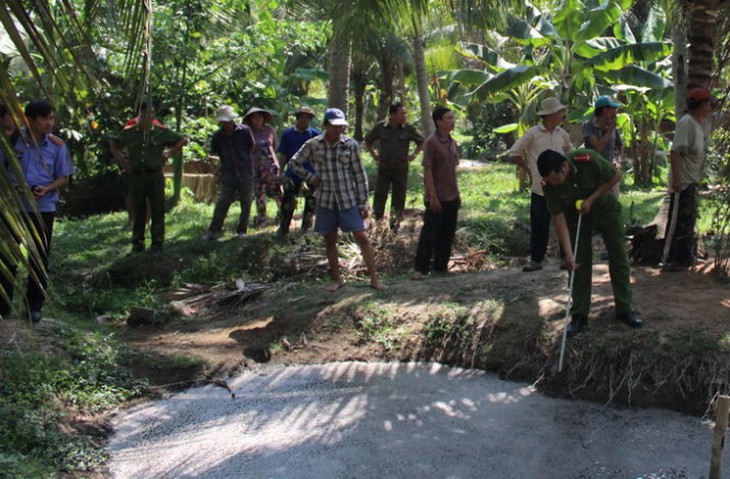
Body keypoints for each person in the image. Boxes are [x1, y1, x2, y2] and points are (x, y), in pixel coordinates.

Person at [537, 148, 643, 337]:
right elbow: (558, 218)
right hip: (576, 219)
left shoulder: (586, 159)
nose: (553, 183)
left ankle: (624, 309)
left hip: (605, 211)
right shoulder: (548, 185)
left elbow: (615, 176)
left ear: (564, 167)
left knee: (618, 256)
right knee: (578, 263)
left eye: (555, 179)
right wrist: (568, 254)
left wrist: (591, 199)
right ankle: (579, 315)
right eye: (549, 180)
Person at [289, 108, 384, 291]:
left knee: (361, 237)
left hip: (348, 198)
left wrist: (363, 202)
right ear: (325, 125)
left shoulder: (350, 145)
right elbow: (294, 163)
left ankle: (374, 278)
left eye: (340, 126)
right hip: (325, 200)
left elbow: (359, 174)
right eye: (333, 126)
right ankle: (337, 279)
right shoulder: (313, 144)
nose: (337, 130)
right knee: (330, 240)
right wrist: (310, 178)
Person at [2, 100, 76, 322]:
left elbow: (63, 177)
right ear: (31, 120)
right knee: (8, 256)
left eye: (52, 118)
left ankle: (34, 306)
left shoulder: (57, 145)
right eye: (45, 118)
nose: (50, 123)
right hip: (14, 207)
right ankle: (3, 305)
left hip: (43, 207)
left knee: (39, 257)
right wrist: (12, 186)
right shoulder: (12, 141)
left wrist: (47, 188)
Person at [109, 102, 188, 253]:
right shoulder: (130, 131)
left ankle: (157, 243)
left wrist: (168, 154)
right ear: (140, 115)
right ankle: (137, 243)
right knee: (139, 210)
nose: (149, 117)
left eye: (151, 113)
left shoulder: (160, 131)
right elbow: (114, 143)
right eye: (145, 114)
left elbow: (182, 140)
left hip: (155, 174)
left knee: (158, 208)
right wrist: (123, 163)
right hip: (137, 176)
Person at [508, 97, 573, 272]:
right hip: (540, 187)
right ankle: (536, 259)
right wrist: (529, 170)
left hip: (560, 187)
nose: (562, 115)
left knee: (564, 222)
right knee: (539, 224)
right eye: (559, 112)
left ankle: (565, 257)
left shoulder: (562, 134)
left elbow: (570, 151)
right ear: (551, 115)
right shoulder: (533, 133)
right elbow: (515, 152)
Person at [663, 87, 715, 271]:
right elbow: (675, 152)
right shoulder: (687, 123)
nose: (710, 106)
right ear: (699, 105)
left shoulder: (702, 123)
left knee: (689, 219)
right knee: (678, 220)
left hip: (693, 179)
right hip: (683, 180)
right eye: (708, 102)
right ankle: (672, 258)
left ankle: (686, 256)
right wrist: (677, 179)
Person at [412, 107, 460, 280]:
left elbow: (453, 171)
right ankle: (421, 269)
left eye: (452, 118)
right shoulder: (431, 142)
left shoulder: (453, 142)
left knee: (447, 234)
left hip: (451, 196)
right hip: (436, 197)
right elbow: (428, 170)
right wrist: (432, 196)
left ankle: (440, 267)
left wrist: (457, 193)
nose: (452, 121)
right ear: (439, 122)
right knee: (430, 234)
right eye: (448, 118)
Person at [364, 103, 425, 231]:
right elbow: (368, 141)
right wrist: (374, 154)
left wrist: (413, 154)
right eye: (402, 113)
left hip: (401, 168)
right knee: (380, 194)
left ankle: (395, 224)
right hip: (384, 167)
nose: (405, 116)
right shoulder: (381, 127)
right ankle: (377, 223)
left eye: (405, 113)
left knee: (399, 196)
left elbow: (422, 141)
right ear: (393, 115)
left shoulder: (408, 129)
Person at [200, 105, 256, 240]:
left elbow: (252, 147)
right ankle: (214, 230)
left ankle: (242, 230)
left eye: (227, 120)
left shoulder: (245, 131)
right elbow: (215, 153)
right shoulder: (218, 136)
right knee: (223, 201)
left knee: (246, 202)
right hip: (228, 173)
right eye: (223, 121)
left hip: (245, 172)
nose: (226, 123)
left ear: (232, 119)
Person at [275, 106, 320, 236]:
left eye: (307, 117)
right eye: (302, 117)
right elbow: (283, 154)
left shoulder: (315, 135)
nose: (304, 120)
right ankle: (283, 228)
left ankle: (306, 228)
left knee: (311, 200)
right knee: (288, 201)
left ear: (310, 119)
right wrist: (281, 171)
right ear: (297, 118)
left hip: (310, 173)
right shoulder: (288, 134)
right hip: (292, 173)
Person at [243, 106, 282, 227]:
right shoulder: (246, 132)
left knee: (277, 192)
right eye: (254, 117)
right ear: (250, 119)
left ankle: (284, 215)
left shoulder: (269, 130)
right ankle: (262, 219)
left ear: (263, 118)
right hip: (256, 166)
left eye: (259, 117)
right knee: (260, 194)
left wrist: (276, 163)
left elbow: (274, 146)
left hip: (271, 165)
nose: (257, 119)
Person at [583, 96, 624, 196]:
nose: (616, 111)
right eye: (613, 108)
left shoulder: (613, 127)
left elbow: (620, 146)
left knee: (612, 201)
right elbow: (598, 146)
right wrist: (609, 131)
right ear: (605, 110)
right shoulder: (589, 126)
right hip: (594, 172)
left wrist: (619, 160)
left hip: (611, 170)